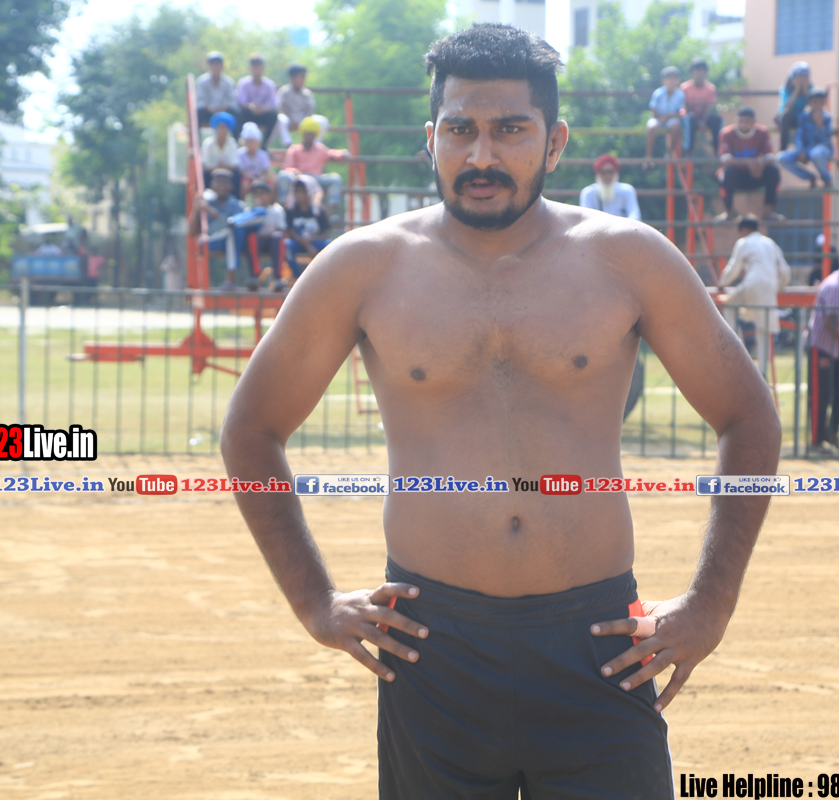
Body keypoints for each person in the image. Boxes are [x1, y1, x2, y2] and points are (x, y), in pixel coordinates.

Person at [220, 23, 781, 800]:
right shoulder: (363, 268)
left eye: (511, 130)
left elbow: (748, 417)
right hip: (430, 646)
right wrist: (314, 601)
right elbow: (250, 430)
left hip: (599, 643)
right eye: (461, 130)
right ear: (431, 139)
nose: (482, 155)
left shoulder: (628, 259)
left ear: (555, 143)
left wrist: (712, 603)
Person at [718, 214, 791, 381]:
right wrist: (778, 288)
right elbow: (785, 270)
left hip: (753, 282)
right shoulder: (770, 243)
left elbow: (733, 268)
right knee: (764, 329)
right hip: (770, 285)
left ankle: (738, 350)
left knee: (728, 305)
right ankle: (763, 372)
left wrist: (722, 283)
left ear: (744, 229)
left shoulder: (743, 242)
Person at [807, 258, 839, 454]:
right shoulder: (835, 286)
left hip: (834, 349)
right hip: (821, 346)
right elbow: (830, 325)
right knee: (820, 394)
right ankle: (816, 441)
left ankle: (831, 432)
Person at [716, 107, 781, 221]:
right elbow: (725, 159)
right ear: (736, 121)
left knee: (773, 171)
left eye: (747, 121)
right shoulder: (726, 133)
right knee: (727, 173)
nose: (743, 124)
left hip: (756, 174)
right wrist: (747, 162)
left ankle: (768, 212)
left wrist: (760, 163)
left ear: (754, 122)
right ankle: (728, 213)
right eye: (740, 121)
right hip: (736, 176)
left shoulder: (762, 132)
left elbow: (770, 156)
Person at [189, 169, 246, 289]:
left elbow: (233, 224)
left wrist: (210, 211)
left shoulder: (237, 205)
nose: (221, 185)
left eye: (225, 182)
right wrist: (196, 208)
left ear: (231, 186)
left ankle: (230, 278)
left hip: (231, 242)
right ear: (212, 185)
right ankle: (206, 282)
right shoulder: (205, 201)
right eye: (218, 182)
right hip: (210, 241)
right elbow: (192, 231)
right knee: (208, 240)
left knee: (233, 233)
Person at [278, 116, 349, 210]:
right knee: (283, 175)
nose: (309, 136)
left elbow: (332, 154)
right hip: (298, 178)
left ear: (315, 135)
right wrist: (295, 171)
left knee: (335, 179)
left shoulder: (320, 148)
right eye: (307, 133)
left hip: (316, 179)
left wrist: (343, 154)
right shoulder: (294, 149)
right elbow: (287, 167)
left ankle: (329, 212)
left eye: (311, 134)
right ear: (303, 134)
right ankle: (284, 209)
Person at [226, 180, 287, 286]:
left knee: (278, 237)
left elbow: (283, 230)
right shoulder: (249, 211)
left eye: (262, 193)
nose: (259, 197)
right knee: (251, 237)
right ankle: (254, 276)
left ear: (269, 195)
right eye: (256, 194)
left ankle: (278, 277)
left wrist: (269, 234)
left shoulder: (276, 210)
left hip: (271, 241)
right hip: (256, 242)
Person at [777, 88, 833, 188]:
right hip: (806, 148)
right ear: (809, 103)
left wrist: (819, 125)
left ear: (823, 103)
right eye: (815, 102)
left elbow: (826, 140)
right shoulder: (803, 117)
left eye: (820, 102)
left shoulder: (827, 118)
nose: (817, 105)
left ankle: (827, 179)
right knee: (781, 158)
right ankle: (810, 177)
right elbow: (799, 136)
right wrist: (800, 150)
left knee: (816, 155)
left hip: (822, 148)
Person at [284, 179, 331, 276]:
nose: (299, 194)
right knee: (286, 245)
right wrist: (307, 245)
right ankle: (298, 276)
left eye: (302, 191)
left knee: (330, 245)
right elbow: (291, 232)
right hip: (297, 242)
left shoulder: (319, 210)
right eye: (297, 191)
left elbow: (325, 233)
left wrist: (311, 240)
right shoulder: (290, 210)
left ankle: (324, 275)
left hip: (315, 241)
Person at [578, 153, 640, 220]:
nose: (607, 175)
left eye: (611, 171)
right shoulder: (589, 193)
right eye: (603, 172)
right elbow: (585, 219)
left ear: (616, 172)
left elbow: (635, 216)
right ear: (597, 174)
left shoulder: (627, 191)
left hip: (623, 226)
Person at [679, 58, 722, 154]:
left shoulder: (710, 88)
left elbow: (708, 107)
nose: (700, 73)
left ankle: (717, 150)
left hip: (704, 118)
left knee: (717, 119)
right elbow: (687, 106)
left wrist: (703, 121)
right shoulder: (685, 87)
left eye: (703, 70)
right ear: (691, 73)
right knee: (690, 119)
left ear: (706, 73)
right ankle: (688, 150)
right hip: (689, 118)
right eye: (697, 70)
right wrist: (698, 122)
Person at [645, 66, 685, 168]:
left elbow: (680, 112)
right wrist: (660, 118)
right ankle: (649, 157)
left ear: (678, 80)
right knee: (651, 126)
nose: (671, 81)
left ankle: (669, 153)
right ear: (663, 81)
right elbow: (653, 110)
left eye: (674, 78)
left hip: (671, 119)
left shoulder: (680, 95)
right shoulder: (658, 93)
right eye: (668, 78)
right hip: (657, 118)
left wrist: (666, 116)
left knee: (676, 126)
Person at [236, 54, 278, 147]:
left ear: (263, 68)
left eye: (258, 66)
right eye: (254, 66)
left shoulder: (269, 85)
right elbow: (240, 102)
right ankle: (240, 143)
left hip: (264, 115)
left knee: (274, 115)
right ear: (250, 68)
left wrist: (263, 109)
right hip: (248, 114)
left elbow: (273, 104)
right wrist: (250, 106)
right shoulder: (243, 83)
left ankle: (265, 146)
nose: (256, 69)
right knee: (238, 113)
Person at [775, 61, 812, 151]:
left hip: (800, 118)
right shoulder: (785, 89)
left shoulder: (809, 88)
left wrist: (805, 90)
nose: (802, 80)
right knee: (787, 116)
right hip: (784, 117)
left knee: (808, 118)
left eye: (804, 77)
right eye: (800, 77)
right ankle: (783, 150)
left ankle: (806, 149)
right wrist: (797, 89)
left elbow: (812, 104)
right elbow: (788, 106)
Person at [202, 112, 241, 198]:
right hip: (211, 172)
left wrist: (224, 167)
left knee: (237, 176)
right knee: (204, 175)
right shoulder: (208, 143)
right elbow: (205, 164)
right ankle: (205, 197)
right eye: (220, 127)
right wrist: (215, 167)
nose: (222, 130)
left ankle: (235, 198)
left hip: (228, 172)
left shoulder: (232, 143)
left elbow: (235, 164)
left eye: (224, 127)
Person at [196, 52, 237, 131]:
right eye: (213, 64)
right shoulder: (202, 81)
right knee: (198, 112)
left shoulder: (228, 82)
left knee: (236, 113)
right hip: (207, 112)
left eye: (218, 64)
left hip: (224, 112)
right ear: (209, 66)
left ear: (222, 66)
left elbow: (233, 101)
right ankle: (196, 137)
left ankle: (236, 138)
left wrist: (223, 108)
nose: (216, 67)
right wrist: (210, 108)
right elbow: (199, 101)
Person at [276, 63, 316, 143]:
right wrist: (292, 119)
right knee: (279, 119)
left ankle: (313, 146)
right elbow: (282, 107)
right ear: (292, 77)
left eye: (304, 77)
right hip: (289, 118)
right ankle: (288, 143)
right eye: (301, 76)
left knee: (322, 121)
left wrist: (306, 121)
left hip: (304, 118)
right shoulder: (284, 91)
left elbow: (310, 109)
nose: (304, 80)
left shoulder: (307, 93)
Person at [236, 122, 274, 197]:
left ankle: (268, 203)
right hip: (246, 179)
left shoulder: (263, 154)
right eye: (248, 141)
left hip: (260, 178)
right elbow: (241, 172)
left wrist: (261, 179)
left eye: (253, 141)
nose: (251, 143)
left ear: (258, 142)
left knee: (272, 185)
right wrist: (253, 179)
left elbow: (266, 171)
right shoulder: (240, 153)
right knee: (245, 185)